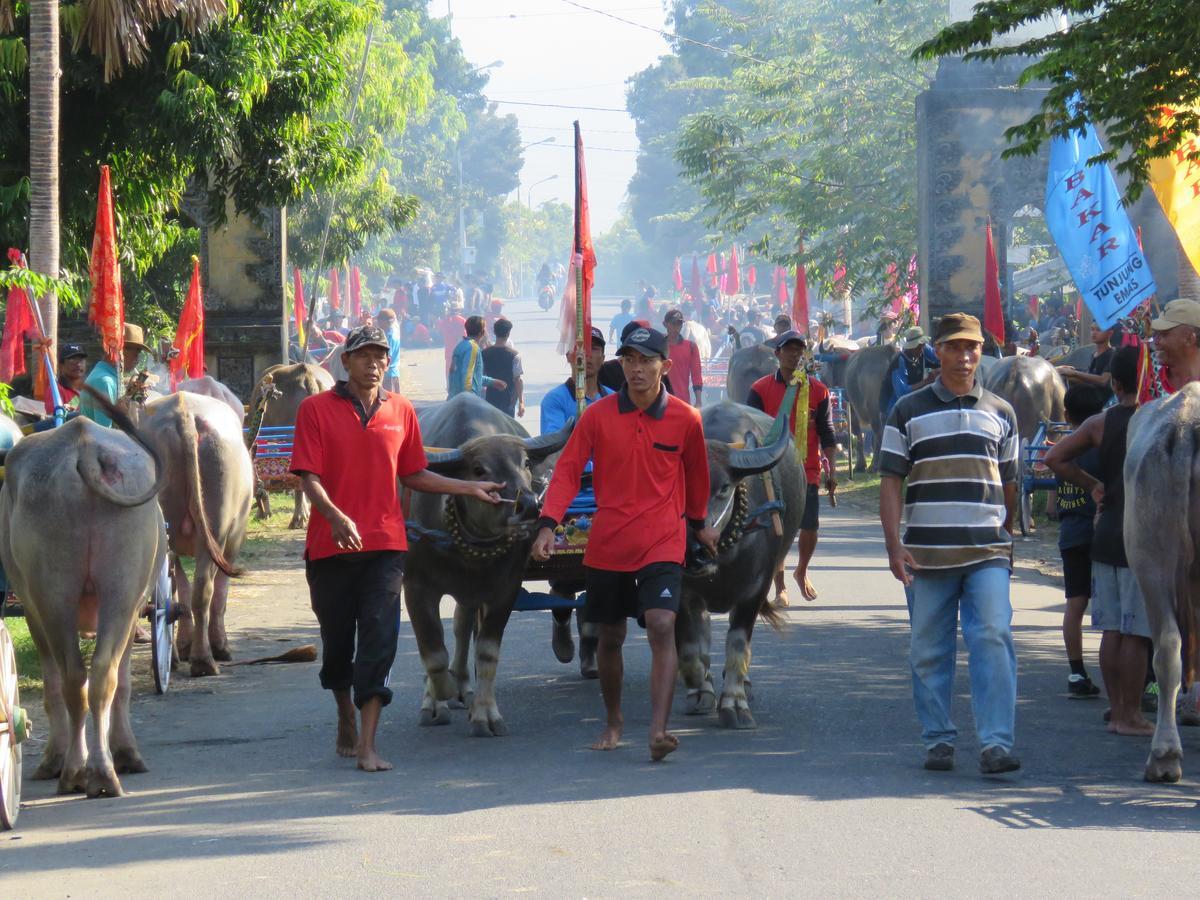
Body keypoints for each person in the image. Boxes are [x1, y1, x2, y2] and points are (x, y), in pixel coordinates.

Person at [291, 325, 505, 773]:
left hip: (387, 545)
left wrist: (469, 488)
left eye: (380, 356)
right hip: (330, 546)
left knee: (380, 642)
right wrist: (333, 515)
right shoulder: (315, 410)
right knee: (336, 646)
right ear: (344, 362)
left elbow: (415, 474)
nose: (373, 364)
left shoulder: (401, 410)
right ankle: (345, 712)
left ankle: (369, 743)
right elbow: (306, 475)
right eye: (364, 356)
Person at [531, 326, 718, 762]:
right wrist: (547, 525)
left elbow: (697, 478)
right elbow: (566, 472)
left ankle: (657, 729)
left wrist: (700, 525)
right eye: (630, 360)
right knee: (608, 636)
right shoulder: (595, 416)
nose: (637, 368)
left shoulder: (687, 419)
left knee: (661, 624)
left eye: (647, 360)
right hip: (609, 541)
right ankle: (614, 720)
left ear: (665, 367)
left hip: (663, 541)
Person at [878, 313, 1021, 775]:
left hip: (987, 553)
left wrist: (1006, 535)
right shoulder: (908, 411)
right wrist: (893, 545)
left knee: (994, 638)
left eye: (972, 347)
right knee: (928, 650)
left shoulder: (1002, 412)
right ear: (937, 350)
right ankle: (938, 738)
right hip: (926, 554)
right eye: (955, 347)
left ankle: (996, 743)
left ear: (982, 352)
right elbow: (891, 482)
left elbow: (1012, 484)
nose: (964, 356)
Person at [1044, 347, 1154, 735]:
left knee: (1111, 628)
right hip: (1144, 535)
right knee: (1138, 632)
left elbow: (1055, 458)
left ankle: (1117, 709)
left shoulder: (1098, 423)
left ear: (1116, 383)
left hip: (1104, 530)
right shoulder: (1158, 421)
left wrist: (1093, 486)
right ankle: (1131, 715)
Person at [540, 326, 613, 676]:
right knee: (565, 572)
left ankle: (590, 646)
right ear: (571, 357)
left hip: (608, 493)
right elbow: (558, 447)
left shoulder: (617, 398)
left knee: (604, 573)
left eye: (596, 349)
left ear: (603, 356)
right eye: (581, 350)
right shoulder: (555, 400)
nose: (588, 356)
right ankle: (560, 615)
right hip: (570, 493)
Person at [746, 331, 838, 605]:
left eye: (799, 351)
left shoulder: (818, 391)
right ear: (778, 354)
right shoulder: (760, 389)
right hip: (771, 471)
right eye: (789, 350)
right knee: (778, 531)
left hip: (807, 469)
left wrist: (832, 471)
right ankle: (780, 587)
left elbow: (828, 433)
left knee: (809, 527)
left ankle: (802, 570)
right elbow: (750, 431)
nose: (794, 355)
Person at [1046, 384, 1106, 698]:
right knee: (1110, 606)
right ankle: (1137, 677)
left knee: (1075, 604)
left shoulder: (1063, 447)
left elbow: (1053, 501)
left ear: (1066, 415)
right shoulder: (1101, 447)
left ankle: (1076, 672)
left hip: (1071, 535)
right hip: (1100, 533)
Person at [80, 323, 151, 427]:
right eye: (136, 353)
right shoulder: (104, 381)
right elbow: (105, 434)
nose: (137, 359)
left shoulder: (110, 377)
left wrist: (130, 397)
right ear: (121, 350)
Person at [880, 327, 940, 422]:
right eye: (919, 346)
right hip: (894, 411)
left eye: (923, 345)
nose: (922, 348)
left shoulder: (922, 349)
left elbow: (938, 358)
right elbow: (902, 392)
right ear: (912, 347)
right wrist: (927, 381)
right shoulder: (899, 361)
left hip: (912, 405)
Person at [1143, 298, 1200, 399]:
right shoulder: (1148, 383)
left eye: (1164, 334)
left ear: (1189, 338)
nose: (1155, 341)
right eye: (1155, 333)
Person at [448, 315, 507, 399]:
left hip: (453, 398)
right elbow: (467, 376)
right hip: (464, 402)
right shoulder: (473, 348)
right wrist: (469, 400)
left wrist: (493, 382)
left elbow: (474, 376)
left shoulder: (460, 346)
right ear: (482, 332)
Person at [1057, 322, 1115, 401]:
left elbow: (1103, 380)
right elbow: (1089, 376)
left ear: (1110, 333)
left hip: (1103, 401)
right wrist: (1068, 372)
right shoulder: (1094, 354)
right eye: (1092, 329)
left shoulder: (1112, 354)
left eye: (1098, 330)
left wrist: (1074, 373)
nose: (1094, 333)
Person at [482, 318, 524, 418]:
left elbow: (480, 375)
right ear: (508, 334)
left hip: (490, 398)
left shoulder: (484, 353)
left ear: (495, 333)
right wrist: (521, 402)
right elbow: (518, 380)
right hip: (509, 400)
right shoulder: (515, 355)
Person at [663, 308, 703, 406]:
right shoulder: (657, 345)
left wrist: (698, 401)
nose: (676, 327)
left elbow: (696, 374)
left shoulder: (691, 347)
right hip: (661, 401)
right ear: (665, 324)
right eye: (673, 324)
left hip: (682, 401)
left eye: (679, 324)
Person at [46, 344, 88, 414]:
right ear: (61, 366)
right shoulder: (55, 391)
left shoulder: (89, 389)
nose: (78, 364)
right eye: (72, 360)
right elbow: (54, 419)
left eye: (81, 360)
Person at [437, 300, 467, 376]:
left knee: (448, 368)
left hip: (449, 349)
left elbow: (440, 332)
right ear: (458, 310)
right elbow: (465, 336)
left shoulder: (444, 321)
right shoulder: (463, 320)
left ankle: (449, 385)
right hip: (460, 349)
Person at [377, 308, 403, 393]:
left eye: (379, 320)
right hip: (394, 372)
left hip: (389, 372)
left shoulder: (389, 336)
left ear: (384, 321)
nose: (377, 323)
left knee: (389, 398)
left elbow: (388, 355)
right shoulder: (394, 331)